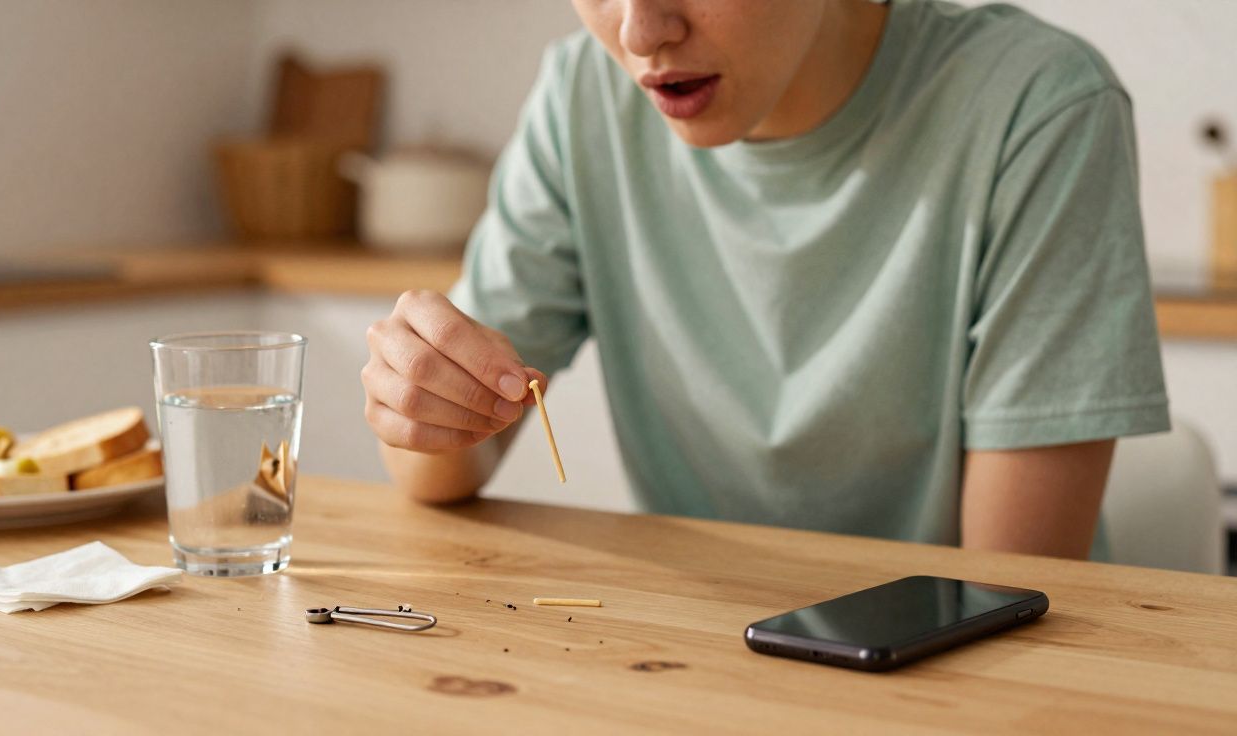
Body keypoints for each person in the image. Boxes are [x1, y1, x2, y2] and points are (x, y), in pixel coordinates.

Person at [360, 0, 1170, 560]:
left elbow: (1012, 587)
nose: (641, 32)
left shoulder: (1038, 107)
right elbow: (440, 473)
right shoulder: (582, 97)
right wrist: (425, 399)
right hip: (695, 662)